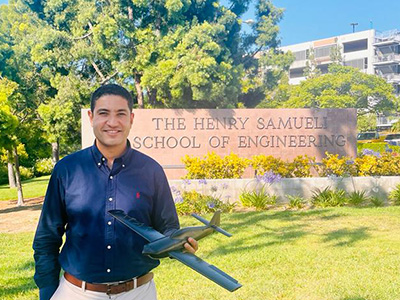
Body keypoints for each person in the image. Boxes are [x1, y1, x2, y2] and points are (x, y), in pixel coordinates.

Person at [33, 84, 198, 300]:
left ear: (131, 118)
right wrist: (47, 291)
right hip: (76, 293)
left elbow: (167, 227)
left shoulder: (151, 170)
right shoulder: (67, 170)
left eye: (121, 114)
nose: (112, 122)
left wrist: (179, 243)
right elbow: (47, 238)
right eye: (104, 113)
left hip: (139, 293)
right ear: (91, 117)